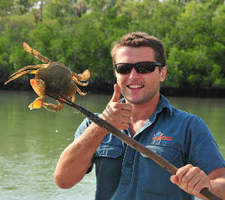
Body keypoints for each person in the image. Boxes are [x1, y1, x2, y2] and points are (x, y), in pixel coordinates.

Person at [54, 32, 225, 200]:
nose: (133, 76)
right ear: (116, 73)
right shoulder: (92, 125)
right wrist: (100, 126)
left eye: (145, 68)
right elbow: (63, 180)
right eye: (124, 68)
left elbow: (222, 183)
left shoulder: (190, 126)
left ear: (162, 73)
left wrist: (206, 185)